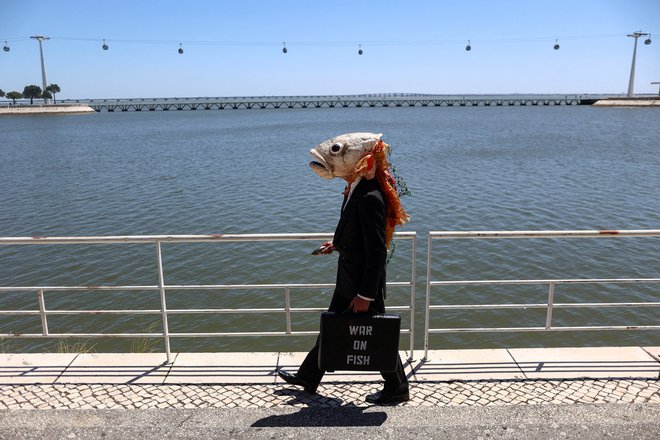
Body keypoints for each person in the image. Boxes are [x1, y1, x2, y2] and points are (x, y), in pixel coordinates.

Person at [278, 133, 410, 405]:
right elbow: (358, 235)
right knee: (331, 328)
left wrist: (365, 295)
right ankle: (308, 376)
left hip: (362, 283)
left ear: (360, 159)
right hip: (350, 277)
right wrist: (338, 243)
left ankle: (397, 387)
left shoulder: (369, 196)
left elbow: (376, 252)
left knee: (378, 336)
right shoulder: (356, 188)